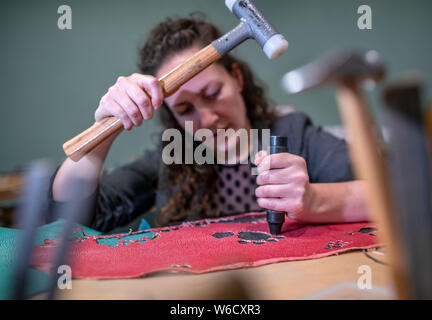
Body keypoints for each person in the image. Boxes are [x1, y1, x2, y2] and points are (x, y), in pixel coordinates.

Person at [49, 13, 369, 233]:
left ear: (238, 78)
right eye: (185, 108)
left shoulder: (292, 134)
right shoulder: (173, 156)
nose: (207, 119)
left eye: (213, 93)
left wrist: (314, 201)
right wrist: (104, 130)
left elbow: (392, 191)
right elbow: (69, 216)